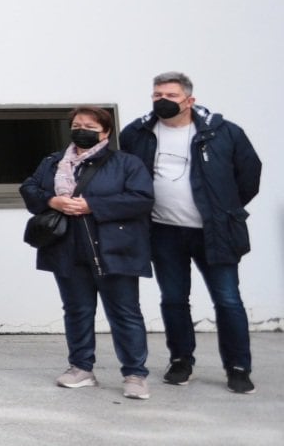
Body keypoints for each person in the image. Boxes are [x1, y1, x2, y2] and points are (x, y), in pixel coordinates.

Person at [120, 72, 263, 394]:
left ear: (189, 100)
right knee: (173, 299)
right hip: (163, 231)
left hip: (214, 231)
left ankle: (238, 367)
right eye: (157, 95)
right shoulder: (138, 133)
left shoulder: (224, 132)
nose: (162, 101)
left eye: (170, 95)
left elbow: (249, 175)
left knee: (227, 300)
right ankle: (181, 361)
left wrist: (223, 209)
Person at [21, 106, 155, 398]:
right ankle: (80, 368)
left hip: (115, 248)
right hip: (66, 247)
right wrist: (52, 201)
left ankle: (134, 373)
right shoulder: (54, 161)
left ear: (105, 132)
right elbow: (29, 189)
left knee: (125, 312)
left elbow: (141, 199)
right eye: (77, 124)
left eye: (90, 125)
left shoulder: (125, 163)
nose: (82, 129)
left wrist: (92, 205)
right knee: (77, 310)